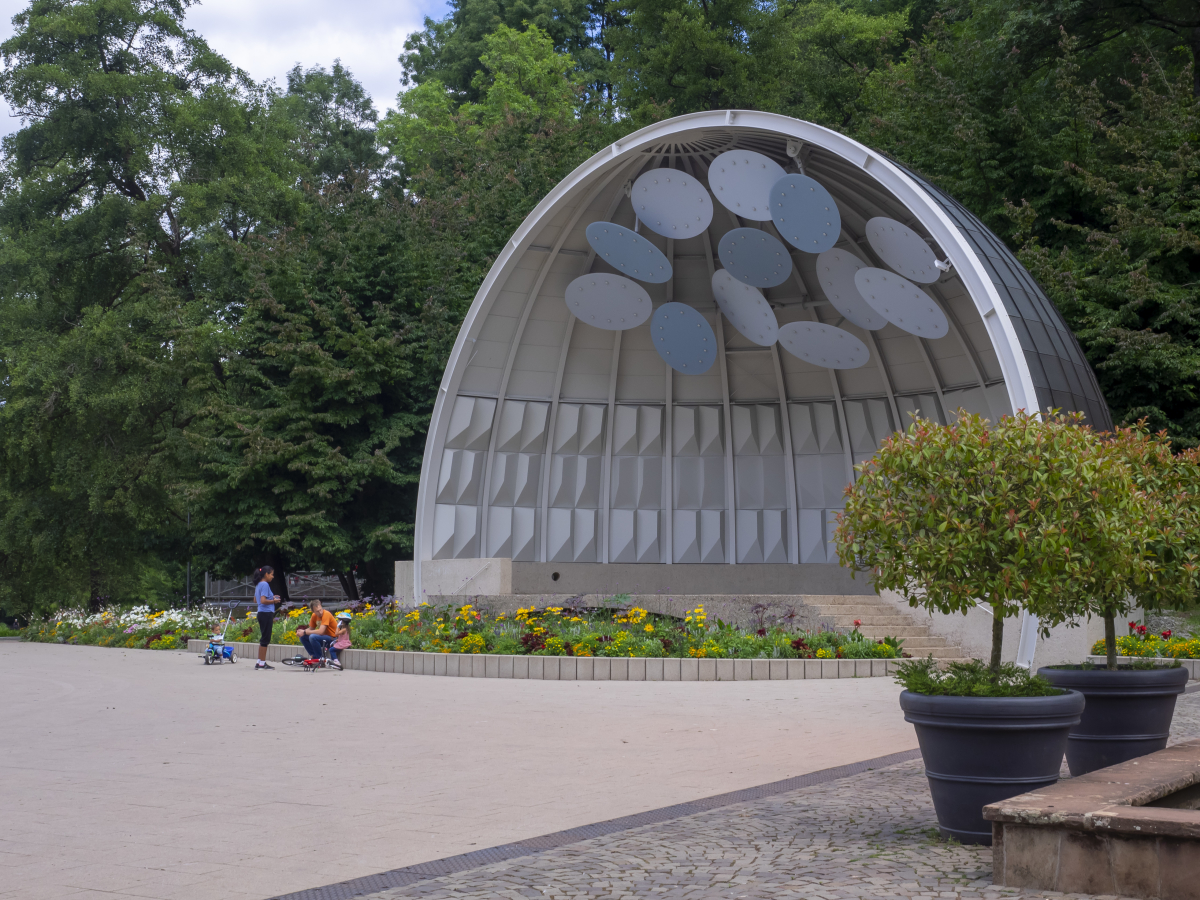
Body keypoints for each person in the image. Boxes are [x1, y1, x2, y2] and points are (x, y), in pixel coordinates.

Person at [252, 566, 281, 671]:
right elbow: (263, 600)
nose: (272, 577)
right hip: (266, 613)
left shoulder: (259, 584)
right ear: (266, 574)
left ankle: (259, 661)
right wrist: (274, 601)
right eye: (271, 574)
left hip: (261, 613)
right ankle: (262, 664)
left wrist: (271, 598)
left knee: (263, 638)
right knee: (266, 639)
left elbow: (256, 600)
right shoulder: (265, 584)